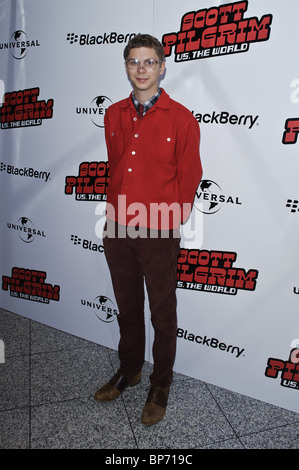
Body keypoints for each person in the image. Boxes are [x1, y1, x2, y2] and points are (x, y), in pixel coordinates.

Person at [94, 34, 202, 426]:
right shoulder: (113, 114)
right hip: (117, 225)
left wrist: (170, 218)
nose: (141, 69)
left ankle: (161, 383)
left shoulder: (182, 117)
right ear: (126, 67)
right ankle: (131, 370)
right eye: (133, 62)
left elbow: (190, 175)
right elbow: (116, 165)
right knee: (127, 308)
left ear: (161, 67)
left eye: (149, 62)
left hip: (158, 230)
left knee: (162, 312)